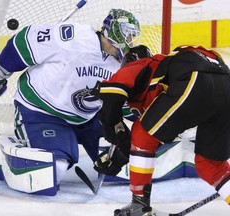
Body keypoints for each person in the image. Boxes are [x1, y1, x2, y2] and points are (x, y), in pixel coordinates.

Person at [0, 9, 141, 192]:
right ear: (112, 32)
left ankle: (67, 141)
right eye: (127, 36)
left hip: (88, 117)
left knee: (123, 163)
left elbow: (124, 102)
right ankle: (0, 156)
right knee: (53, 170)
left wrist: (149, 121)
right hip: (41, 111)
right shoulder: (73, 37)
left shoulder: (122, 64)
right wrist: (0, 71)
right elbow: (25, 41)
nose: (130, 43)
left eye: (133, 38)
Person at [94, 44, 230, 215]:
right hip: (225, 83)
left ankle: (139, 205)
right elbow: (155, 135)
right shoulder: (162, 79)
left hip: (195, 76)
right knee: (211, 165)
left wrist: (114, 135)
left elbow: (110, 101)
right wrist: (122, 154)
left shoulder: (140, 65)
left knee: (141, 133)